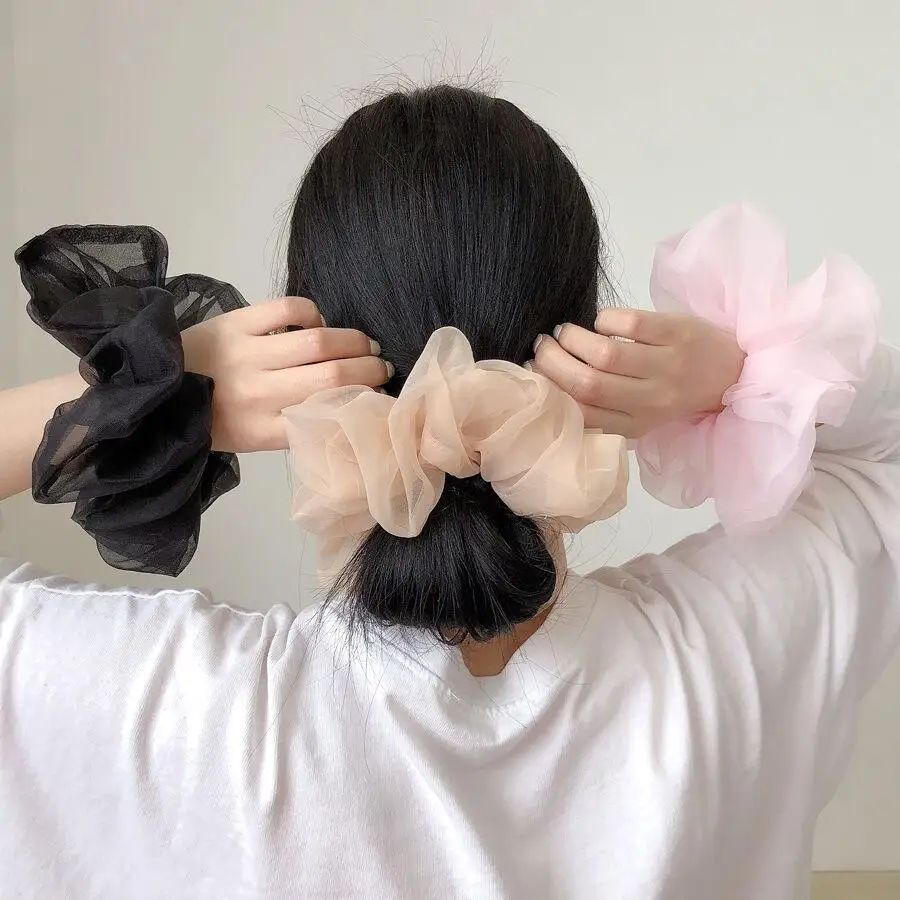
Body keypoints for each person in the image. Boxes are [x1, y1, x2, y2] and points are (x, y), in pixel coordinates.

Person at [1, 84, 897, 900]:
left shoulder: (195, 718)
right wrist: (740, 374)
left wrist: (148, 391)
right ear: (587, 341)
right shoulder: (731, 657)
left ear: (306, 369)